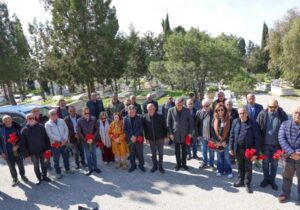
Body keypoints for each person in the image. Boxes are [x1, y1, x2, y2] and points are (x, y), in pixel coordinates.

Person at [257, 99, 288, 190]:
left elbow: (286, 130)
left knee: (274, 164)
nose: (272, 109)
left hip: (277, 146)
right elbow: (257, 129)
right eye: (270, 107)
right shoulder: (262, 114)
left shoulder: (282, 115)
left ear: (277, 106)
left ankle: (272, 180)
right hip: (265, 145)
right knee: (265, 163)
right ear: (267, 106)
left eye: (274, 107)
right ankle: (266, 179)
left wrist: (284, 147)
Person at [229, 107, 261, 193]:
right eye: (240, 113)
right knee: (240, 166)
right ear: (238, 114)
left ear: (247, 113)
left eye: (243, 113)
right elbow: (232, 135)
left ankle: (247, 183)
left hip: (249, 151)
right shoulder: (235, 122)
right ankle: (240, 181)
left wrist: (255, 153)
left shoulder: (253, 124)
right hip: (238, 149)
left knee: (248, 168)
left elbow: (257, 139)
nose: (242, 115)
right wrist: (231, 148)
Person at [20, 113, 51, 185]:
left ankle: (44, 176)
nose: (32, 119)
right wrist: (26, 155)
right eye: (30, 118)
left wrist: (48, 148)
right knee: (36, 166)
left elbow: (46, 138)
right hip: (32, 153)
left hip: (43, 150)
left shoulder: (41, 127)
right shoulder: (24, 130)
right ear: (26, 120)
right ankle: (39, 179)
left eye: (33, 118)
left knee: (44, 164)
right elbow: (23, 144)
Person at [277, 106, 300, 203]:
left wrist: (298, 153)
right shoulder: (285, 124)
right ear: (292, 113)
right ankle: (285, 194)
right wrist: (291, 152)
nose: (298, 115)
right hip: (288, 156)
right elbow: (281, 139)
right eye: (296, 112)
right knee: (287, 177)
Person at [45, 109, 74, 179]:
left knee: (66, 156)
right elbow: (50, 135)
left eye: (55, 113)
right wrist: (60, 139)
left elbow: (66, 129)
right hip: (55, 144)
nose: (54, 115)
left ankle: (67, 169)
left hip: (64, 142)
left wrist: (65, 138)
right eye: (52, 114)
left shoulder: (61, 120)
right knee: (56, 159)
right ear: (49, 115)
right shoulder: (47, 124)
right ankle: (58, 173)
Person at [0, 115, 28, 187]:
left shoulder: (17, 128)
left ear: (11, 120)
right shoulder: (1, 130)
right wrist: (1, 153)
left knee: (21, 165)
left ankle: (23, 176)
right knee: (11, 167)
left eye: (8, 119)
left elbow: (22, 139)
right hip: (7, 152)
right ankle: (15, 178)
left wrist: (17, 146)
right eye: (5, 120)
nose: (7, 121)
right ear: (3, 122)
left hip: (18, 151)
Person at [167, 97, 193, 171]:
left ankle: (184, 164)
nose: (179, 106)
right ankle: (178, 164)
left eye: (181, 105)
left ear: (183, 104)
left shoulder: (187, 110)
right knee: (177, 151)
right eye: (178, 105)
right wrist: (170, 134)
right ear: (175, 104)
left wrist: (190, 133)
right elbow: (168, 123)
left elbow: (191, 122)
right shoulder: (171, 110)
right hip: (175, 134)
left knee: (184, 151)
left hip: (185, 134)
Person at [143, 104, 168, 173]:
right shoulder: (145, 117)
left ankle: (160, 166)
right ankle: (155, 166)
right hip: (151, 139)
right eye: (148, 109)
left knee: (160, 153)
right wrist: (146, 138)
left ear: (154, 109)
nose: (150, 110)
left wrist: (166, 136)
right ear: (147, 109)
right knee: (153, 153)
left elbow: (165, 127)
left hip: (160, 138)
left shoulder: (160, 116)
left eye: (151, 109)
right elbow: (145, 129)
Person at [77, 107, 101, 176]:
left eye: (88, 113)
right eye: (85, 113)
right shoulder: (79, 121)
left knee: (94, 154)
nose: (87, 114)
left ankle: (95, 167)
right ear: (82, 113)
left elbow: (97, 129)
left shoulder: (93, 119)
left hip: (92, 141)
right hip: (85, 142)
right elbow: (79, 132)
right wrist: (85, 140)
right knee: (88, 155)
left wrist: (92, 138)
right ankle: (90, 169)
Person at [213, 103, 233, 178]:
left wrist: (226, 141)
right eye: (219, 110)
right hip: (218, 142)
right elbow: (213, 131)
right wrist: (217, 142)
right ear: (216, 111)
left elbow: (231, 132)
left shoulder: (229, 119)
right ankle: (220, 170)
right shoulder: (214, 119)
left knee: (226, 157)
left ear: (225, 110)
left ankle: (228, 171)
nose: (220, 111)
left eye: (222, 109)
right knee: (219, 157)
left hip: (226, 142)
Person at [124, 105, 145, 172]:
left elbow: (141, 128)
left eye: (133, 112)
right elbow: (125, 129)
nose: (131, 113)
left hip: (138, 138)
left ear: (135, 111)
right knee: (131, 153)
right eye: (130, 112)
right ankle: (133, 166)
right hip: (130, 139)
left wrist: (135, 136)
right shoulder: (125, 118)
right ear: (128, 111)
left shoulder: (139, 117)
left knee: (140, 153)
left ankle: (141, 165)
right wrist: (131, 137)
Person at [196, 99, 215, 169]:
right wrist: (197, 135)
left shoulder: (213, 112)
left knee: (211, 151)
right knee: (203, 150)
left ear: (209, 105)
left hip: (211, 136)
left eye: (207, 106)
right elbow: (196, 125)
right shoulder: (199, 112)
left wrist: (215, 136)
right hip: (202, 136)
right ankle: (204, 162)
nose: (205, 107)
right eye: (204, 106)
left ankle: (211, 164)